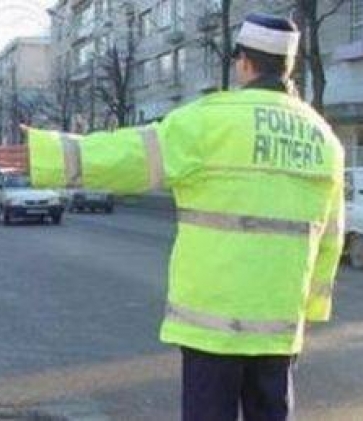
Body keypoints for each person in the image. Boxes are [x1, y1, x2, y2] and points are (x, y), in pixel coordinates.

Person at [18, 13, 345, 421]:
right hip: (279, 326)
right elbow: (330, 237)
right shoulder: (324, 139)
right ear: (289, 66)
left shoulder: (211, 121)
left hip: (213, 328)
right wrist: (308, 310)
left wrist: (47, 154)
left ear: (244, 62)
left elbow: (131, 156)